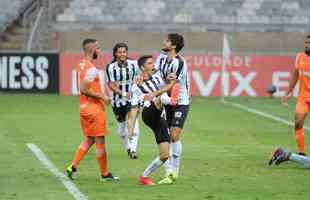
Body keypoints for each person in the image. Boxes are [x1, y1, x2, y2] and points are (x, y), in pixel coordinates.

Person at [66, 38, 119, 182]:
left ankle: (73, 166)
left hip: (84, 109)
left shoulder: (81, 64)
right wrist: (103, 96)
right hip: (94, 110)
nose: (100, 51)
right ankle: (105, 174)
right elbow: (83, 89)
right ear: (92, 49)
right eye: (98, 48)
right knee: (100, 142)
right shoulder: (91, 69)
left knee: (89, 139)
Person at [127, 55, 179, 185]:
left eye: (153, 63)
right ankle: (173, 102)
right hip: (148, 113)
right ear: (142, 67)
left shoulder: (156, 77)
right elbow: (134, 109)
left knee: (165, 155)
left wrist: (172, 81)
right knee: (160, 98)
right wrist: (131, 129)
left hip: (159, 118)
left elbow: (165, 87)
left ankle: (144, 177)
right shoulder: (136, 86)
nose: (153, 65)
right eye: (150, 63)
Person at [154, 33, 190, 184]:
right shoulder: (161, 58)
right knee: (167, 137)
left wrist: (156, 94)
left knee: (175, 135)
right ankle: (168, 172)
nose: (164, 42)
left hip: (180, 101)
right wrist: (143, 76)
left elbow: (173, 85)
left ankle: (175, 170)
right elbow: (153, 72)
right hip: (166, 101)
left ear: (173, 46)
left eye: (167, 41)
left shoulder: (180, 62)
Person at [106, 43, 140, 159]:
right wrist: (123, 93)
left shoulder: (134, 65)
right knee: (121, 127)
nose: (122, 54)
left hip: (132, 99)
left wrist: (137, 88)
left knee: (133, 121)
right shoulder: (111, 67)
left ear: (127, 53)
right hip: (118, 101)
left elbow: (141, 77)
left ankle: (133, 149)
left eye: (124, 52)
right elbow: (111, 85)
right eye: (119, 52)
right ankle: (128, 147)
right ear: (115, 53)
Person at [281, 35, 310, 156]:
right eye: (305, 42)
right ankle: (301, 152)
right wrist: (288, 92)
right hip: (303, 97)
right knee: (298, 122)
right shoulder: (300, 57)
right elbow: (295, 75)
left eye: (309, 43)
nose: (306, 45)